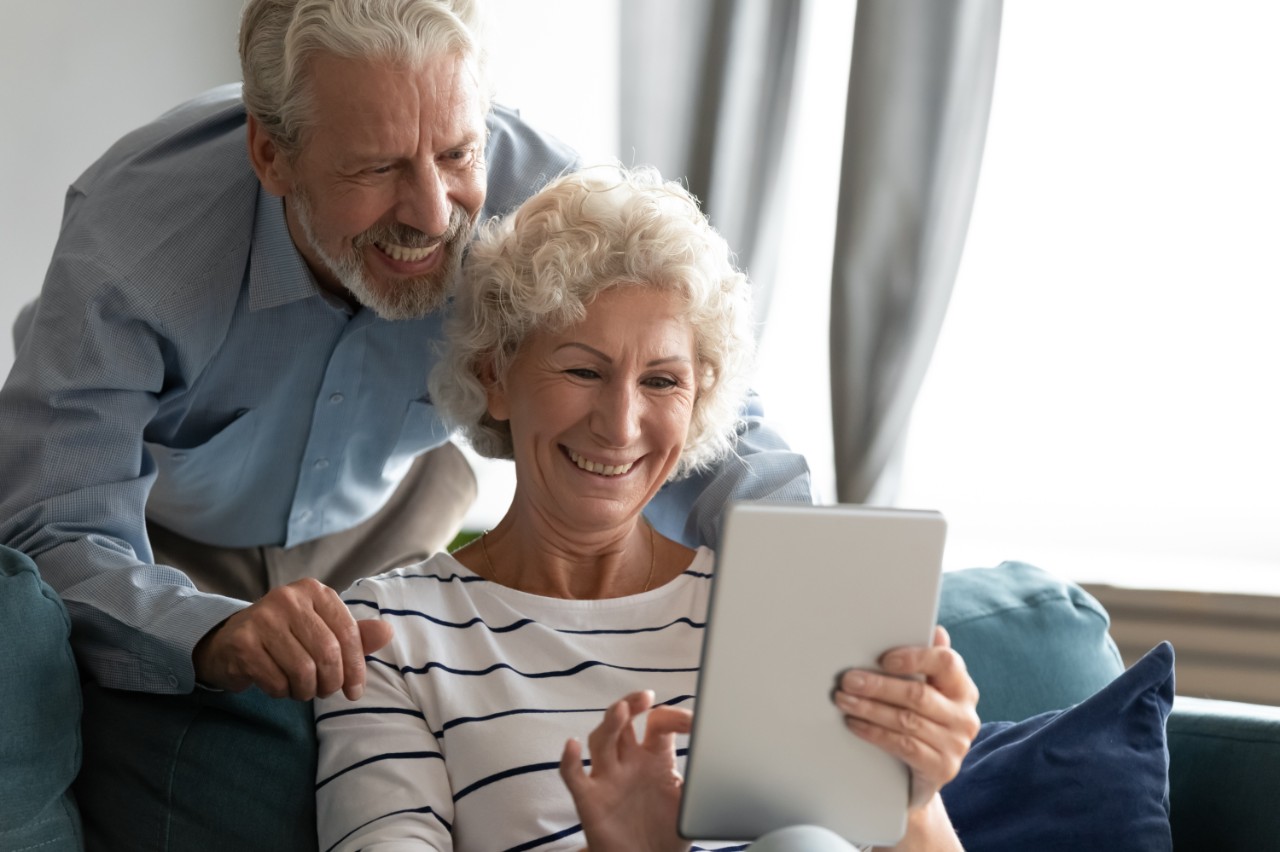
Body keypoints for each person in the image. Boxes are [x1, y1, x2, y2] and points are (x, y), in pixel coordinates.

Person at [0, 0, 809, 704]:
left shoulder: (545, 198)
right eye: (378, 167)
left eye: (458, 152)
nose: (430, 214)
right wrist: (204, 634)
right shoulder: (133, 240)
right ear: (271, 155)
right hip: (167, 535)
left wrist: (828, 598)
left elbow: (705, 426)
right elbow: (53, 528)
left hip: (394, 516)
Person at [314, 165, 979, 851]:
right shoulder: (391, 634)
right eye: (582, 370)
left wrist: (914, 796)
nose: (621, 425)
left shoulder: (771, 612)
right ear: (496, 377)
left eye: (661, 381)